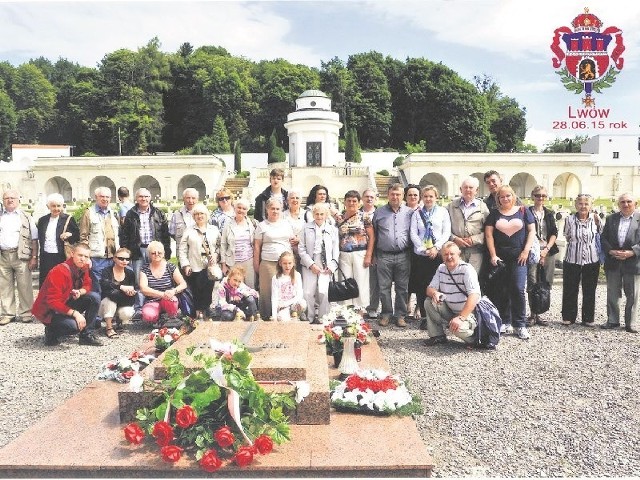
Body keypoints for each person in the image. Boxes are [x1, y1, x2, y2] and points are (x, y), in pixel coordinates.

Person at [485, 185, 535, 340]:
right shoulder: (494, 214)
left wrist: (526, 250)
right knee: (502, 290)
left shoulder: (523, 211)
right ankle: (504, 321)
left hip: (519, 257)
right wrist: (493, 255)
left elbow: (532, 231)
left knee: (518, 289)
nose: (505, 199)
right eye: (502, 197)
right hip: (500, 258)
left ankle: (520, 324)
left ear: (513, 196)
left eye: (508, 196)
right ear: (498, 199)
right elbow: (489, 235)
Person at [32, 243, 103, 346]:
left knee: (94, 297)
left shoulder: (84, 267)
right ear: (72, 254)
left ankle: (86, 336)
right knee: (74, 327)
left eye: (86, 256)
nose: (83, 259)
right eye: (80, 255)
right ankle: (51, 331)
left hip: (65, 302)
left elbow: (88, 285)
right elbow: (52, 302)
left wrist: (80, 292)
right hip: (49, 311)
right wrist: (76, 314)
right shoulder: (59, 271)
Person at [121, 187, 171, 314]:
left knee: (157, 277)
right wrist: (126, 251)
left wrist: (166, 251)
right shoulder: (130, 214)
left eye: (146, 196)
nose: (144, 199)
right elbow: (124, 234)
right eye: (141, 196)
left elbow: (165, 234)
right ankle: (139, 308)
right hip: (138, 250)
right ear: (136, 198)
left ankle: (158, 305)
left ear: (150, 198)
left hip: (155, 250)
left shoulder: (158, 213)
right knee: (138, 280)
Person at [371, 183, 413, 327]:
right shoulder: (379, 212)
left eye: (398, 194)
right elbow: (374, 234)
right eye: (392, 194)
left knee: (402, 287)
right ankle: (386, 314)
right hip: (384, 255)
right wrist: (373, 255)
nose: (395, 197)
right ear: (388, 195)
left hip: (403, 255)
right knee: (384, 287)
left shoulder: (409, 212)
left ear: (403, 196)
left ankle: (400, 315)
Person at [423, 242, 481, 347]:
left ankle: (476, 340)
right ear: (442, 256)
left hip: (468, 313)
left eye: (452, 254)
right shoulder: (441, 268)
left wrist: (461, 317)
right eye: (445, 254)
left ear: (458, 254)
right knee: (429, 301)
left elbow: (474, 296)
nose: (449, 257)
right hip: (451, 310)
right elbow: (429, 289)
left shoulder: (467, 269)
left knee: (457, 329)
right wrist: (435, 293)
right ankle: (438, 335)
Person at [410, 185, 451, 324]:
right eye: (425, 196)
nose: (428, 199)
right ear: (422, 197)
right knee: (422, 286)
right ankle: (424, 316)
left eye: (431, 196)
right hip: (421, 255)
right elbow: (414, 233)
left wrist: (436, 247)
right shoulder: (417, 213)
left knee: (438, 285)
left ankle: (438, 315)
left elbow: (446, 232)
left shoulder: (442, 212)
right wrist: (423, 249)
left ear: (436, 197)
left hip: (437, 255)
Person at [600, 192, 640, 333]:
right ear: (618, 205)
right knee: (613, 293)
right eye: (622, 202)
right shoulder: (611, 219)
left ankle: (630, 323)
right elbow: (603, 238)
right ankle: (612, 320)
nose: (626, 204)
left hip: (633, 262)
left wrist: (632, 252)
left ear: (635, 204)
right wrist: (610, 251)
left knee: (632, 295)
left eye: (629, 201)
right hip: (614, 261)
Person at [561, 194, 602, 327]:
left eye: (586, 204)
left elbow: (600, 234)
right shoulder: (569, 220)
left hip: (591, 259)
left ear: (591, 205)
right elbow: (567, 236)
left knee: (589, 289)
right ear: (576, 205)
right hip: (572, 258)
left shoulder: (596, 219)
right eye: (580, 203)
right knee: (570, 289)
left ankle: (588, 318)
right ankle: (568, 317)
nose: (583, 206)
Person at [0, 189, 38, 325]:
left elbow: (34, 239)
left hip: (21, 255)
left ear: (18, 200)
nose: (9, 200)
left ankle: (26, 313)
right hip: (3, 255)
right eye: (6, 198)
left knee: (25, 286)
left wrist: (34, 257)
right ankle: (7, 313)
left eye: (12, 198)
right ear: (3, 201)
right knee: (4, 286)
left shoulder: (26, 217)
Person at [298, 203, 339, 324]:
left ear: (326, 215)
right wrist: (311, 264)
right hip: (310, 263)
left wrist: (332, 266)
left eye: (322, 214)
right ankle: (309, 317)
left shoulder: (332, 229)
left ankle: (323, 317)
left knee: (324, 292)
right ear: (313, 214)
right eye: (317, 214)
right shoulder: (306, 228)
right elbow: (301, 248)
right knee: (308, 292)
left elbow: (335, 250)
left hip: (326, 264)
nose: (319, 216)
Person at [253, 198, 294, 319]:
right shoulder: (262, 226)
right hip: (268, 263)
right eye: (272, 208)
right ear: (267, 209)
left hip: (286, 264)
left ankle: (283, 316)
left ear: (281, 210)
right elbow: (256, 246)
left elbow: (293, 241)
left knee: (285, 290)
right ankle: (266, 317)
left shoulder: (286, 224)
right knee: (267, 292)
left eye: (277, 209)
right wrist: (256, 265)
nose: (275, 211)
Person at [178, 203, 220, 319]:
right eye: (196, 214)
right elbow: (182, 249)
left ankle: (206, 311)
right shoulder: (188, 231)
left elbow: (219, 246)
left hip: (210, 266)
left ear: (206, 215)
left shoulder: (214, 230)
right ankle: (197, 312)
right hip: (195, 265)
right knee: (197, 290)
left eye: (202, 213)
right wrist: (185, 265)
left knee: (208, 289)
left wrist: (216, 255)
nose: (199, 216)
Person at [526, 185, 559, 326]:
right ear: (533, 196)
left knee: (546, 282)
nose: (540, 198)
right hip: (532, 251)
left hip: (548, 251)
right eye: (538, 195)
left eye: (543, 196)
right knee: (532, 282)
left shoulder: (549, 213)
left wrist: (546, 249)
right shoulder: (526, 212)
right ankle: (533, 313)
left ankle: (541, 311)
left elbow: (554, 233)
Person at [337, 190, 373, 313]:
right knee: (345, 280)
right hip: (344, 254)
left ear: (359, 202)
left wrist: (369, 254)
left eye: (354, 201)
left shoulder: (364, 217)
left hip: (360, 253)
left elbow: (372, 237)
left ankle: (360, 310)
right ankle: (346, 311)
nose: (351, 203)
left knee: (360, 281)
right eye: (349, 201)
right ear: (344, 202)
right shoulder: (339, 218)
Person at [79, 186, 119, 293]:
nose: (105, 199)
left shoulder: (114, 213)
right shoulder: (89, 213)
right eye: (102, 196)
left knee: (112, 286)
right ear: (96, 197)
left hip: (113, 257)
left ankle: (109, 308)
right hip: (97, 258)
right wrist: (87, 257)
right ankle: (98, 309)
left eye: (107, 197)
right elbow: (83, 237)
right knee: (98, 287)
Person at [447, 176, 490, 275]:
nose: (468, 190)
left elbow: (489, 231)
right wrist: (454, 238)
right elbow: (444, 228)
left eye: (471, 187)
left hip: (475, 251)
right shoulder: (451, 206)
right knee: (456, 277)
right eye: (465, 187)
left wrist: (474, 239)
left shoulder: (482, 207)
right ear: (460, 189)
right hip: (456, 250)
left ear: (476, 190)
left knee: (471, 279)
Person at [36, 193, 80, 287]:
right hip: (46, 257)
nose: (56, 208)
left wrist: (70, 234)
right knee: (46, 283)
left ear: (62, 206)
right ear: (48, 206)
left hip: (61, 256)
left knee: (61, 282)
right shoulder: (42, 220)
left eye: (58, 206)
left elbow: (77, 236)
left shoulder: (68, 219)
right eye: (53, 206)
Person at [139, 241, 188, 324]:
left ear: (164, 253)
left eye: (159, 252)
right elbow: (143, 288)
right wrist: (162, 294)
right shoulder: (144, 269)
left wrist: (173, 291)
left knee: (172, 300)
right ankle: (158, 318)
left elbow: (183, 284)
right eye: (153, 253)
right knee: (148, 316)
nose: (156, 254)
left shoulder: (171, 266)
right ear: (149, 255)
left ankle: (171, 318)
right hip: (152, 301)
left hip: (169, 299)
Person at [99, 247, 137, 338]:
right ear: (114, 258)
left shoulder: (130, 273)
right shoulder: (107, 271)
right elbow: (105, 286)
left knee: (128, 312)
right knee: (110, 301)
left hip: (122, 301)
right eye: (121, 258)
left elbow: (132, 292)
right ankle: (109, 327)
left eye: (127, 259)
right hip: (106, 304)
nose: (124, 261)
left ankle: (119, 322)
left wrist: (131, 293)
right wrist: (121, 287)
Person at [221, 198, 256, 288]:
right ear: (235, 208)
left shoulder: (251, 224)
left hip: (248, 261)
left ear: (247, 211)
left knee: (250, 287)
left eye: (244, 209)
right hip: (233, 262)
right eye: (239, 207)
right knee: (234, 288)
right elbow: (223, 245)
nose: (241, 210)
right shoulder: (228, 224)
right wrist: (224, 265)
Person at [271, 251, 306, 321]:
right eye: (285, 263)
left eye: (290, 263)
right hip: (282, 306)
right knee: (283, 319)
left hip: (293, 304)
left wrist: (286, 304)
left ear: (293, 263)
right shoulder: (276, 278)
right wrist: (274, 316)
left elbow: (299, 295)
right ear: (280, 264)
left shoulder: (297, 275)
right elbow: (274, 298)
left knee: (302, 303)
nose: (287, 266)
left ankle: (298, 315)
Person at [361, 189, 380, 319]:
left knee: (374, 281)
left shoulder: (380, 213)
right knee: (360, 280)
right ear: (362, 198)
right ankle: (359, 307)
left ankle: (372, 307)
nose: (369, 199)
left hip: (376, 250)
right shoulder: (355, 213)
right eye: (367, 197)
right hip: (359, 250)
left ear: (375, 199)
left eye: (372, 197)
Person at [404, 184, 422, 319]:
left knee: (418, 278)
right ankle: (406, 304)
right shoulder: (401, 211)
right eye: (410, 194)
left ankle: (418, 307)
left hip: (419, 250)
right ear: (406, 196)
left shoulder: (423, 212)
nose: (413, 197)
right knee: (406, 278)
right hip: (405, 250)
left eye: (415, 194)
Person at [169, 187, 198, 265]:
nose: (190, 201)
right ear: (183, 199)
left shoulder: (203, 214)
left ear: (197, 199)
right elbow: (172, 233)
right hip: (183, 256)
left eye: (193, 198)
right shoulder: (176, 215)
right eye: (188, 198)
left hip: (199, 255)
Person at [282, 189, 305, 271]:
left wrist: (299, 239)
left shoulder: (307, 214)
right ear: (288, 200)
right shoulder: (283, 215)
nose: (295, 200)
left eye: (297, 198)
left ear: (301, 200)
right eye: (292, 198)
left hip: (303, 251)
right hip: (288, 252)